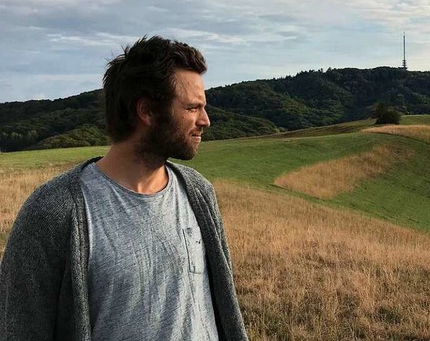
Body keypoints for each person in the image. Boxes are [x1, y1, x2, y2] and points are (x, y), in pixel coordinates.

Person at [0, 36, 248, 340]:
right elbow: (20, 329)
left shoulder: (198, 193)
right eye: (193, 108)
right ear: (147, 110)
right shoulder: (53, 212)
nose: (205, 120)